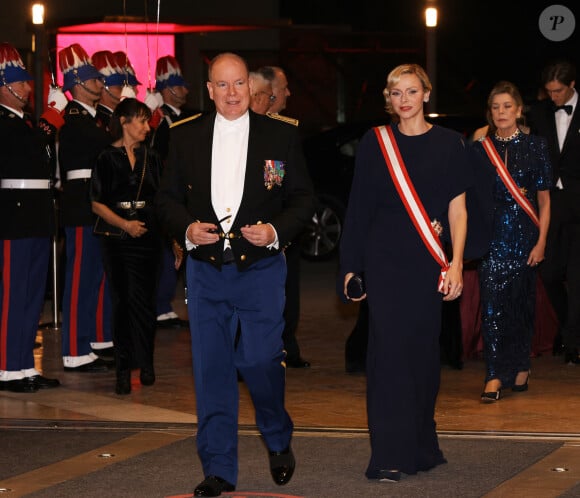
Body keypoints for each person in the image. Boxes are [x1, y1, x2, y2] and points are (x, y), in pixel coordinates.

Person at [156, 52, 314, 496]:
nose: (231, 93)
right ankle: (219, 468)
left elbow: (303, 200)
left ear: (252, 87)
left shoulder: (280, 137)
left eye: (239, 84)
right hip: (206, 273)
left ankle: (277, 433)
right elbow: (165, 200)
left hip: (261, 269)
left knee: (259, 359)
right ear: (209, 90)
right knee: (212, 371)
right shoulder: (184, 137)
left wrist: (275, 231)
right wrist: (186, 229)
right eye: (221, 85)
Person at [339, 63, 469, 482]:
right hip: (384, 263)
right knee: (388, 356)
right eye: (396, 93)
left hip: (427, 263)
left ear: (426, 94)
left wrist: (456, 262)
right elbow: (358, 208)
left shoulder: (451, 144)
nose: (404, 100)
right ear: (389, 99)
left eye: (411, 92)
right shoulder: (376, 142)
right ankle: (388, 454)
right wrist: (350, 267)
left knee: (423, 357)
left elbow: (458, 209)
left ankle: (420, 445)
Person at [472, 81, 551, 401]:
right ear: (489, 113)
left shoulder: (536, 147)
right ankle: (493, 374)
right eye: (495, 107)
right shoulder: (479, 148)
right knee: (492, 309)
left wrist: (541, 242)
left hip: (525, 237)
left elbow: (545, 202)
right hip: (491, 240)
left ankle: (520, 364)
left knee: (520, 307)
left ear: (519, 110)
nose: (501, 112)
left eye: (507, 106)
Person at [0, 42, 65, 392]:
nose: (28, 88)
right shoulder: (5, 122)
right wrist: (49, 121)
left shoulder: (22, 122)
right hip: (14, 218)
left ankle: (23, 364)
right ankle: (7, 367)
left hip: (36, 217)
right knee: (13, 294)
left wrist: (45, 124)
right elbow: (23, 153)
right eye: (20, 83)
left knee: (33, 295)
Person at [90, 98, 163, 395]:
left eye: (148, 121)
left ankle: (146, 363)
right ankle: (122, 370)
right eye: (142, 120)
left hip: (148, 236)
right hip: (116, 239)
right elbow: (96, 203)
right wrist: (125, 224)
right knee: (122, 302)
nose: (147, 126)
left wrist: (173, 239)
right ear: (124, 121)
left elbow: (162, 201)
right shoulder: (106, 158)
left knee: (146, 302)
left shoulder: (153, 157)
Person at [58, 43, 113, 372]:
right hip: (81, 206)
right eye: (93, 79)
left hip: (95, 204)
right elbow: (103, 148)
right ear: (77, 84)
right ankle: (74, 350)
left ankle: (91, 341)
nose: (100, 83)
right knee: (79, 280)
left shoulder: (95, 120)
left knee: (93, 277)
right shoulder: (75, 119)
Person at [527, 60, 580, 364]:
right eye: (549, 92)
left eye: (558, 91)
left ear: (572, 84)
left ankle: (572, 342)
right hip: (550, 204)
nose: (554, 97)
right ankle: (569, 329)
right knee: (548, 274)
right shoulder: (539, 112)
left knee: (577, 276)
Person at [258, 65, 309, 368]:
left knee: (287, 294)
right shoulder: (262, 132)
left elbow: (286, 187)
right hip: (258, 231)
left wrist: (283, 228)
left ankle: (285, 346)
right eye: (284, 87)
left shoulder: (283, 130)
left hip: (282, 230)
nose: (288, 93)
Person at [150, 54, 193, 328]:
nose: (186, 91)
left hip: (186, 191)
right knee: (166, 250)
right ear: (167, 89)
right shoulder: (159, 118)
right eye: (179, 86)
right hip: (165, 190)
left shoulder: (188, 117)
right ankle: (159, 305)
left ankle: (170, 303)